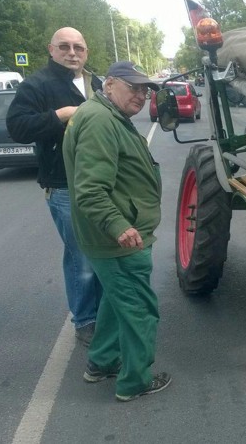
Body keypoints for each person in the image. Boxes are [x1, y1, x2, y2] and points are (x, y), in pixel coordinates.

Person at [63, 61, 169, 402]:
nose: (140, 95)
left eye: (144, 90)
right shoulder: (99, 120)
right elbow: (91, 189)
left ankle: (101, 363)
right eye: (133, 87)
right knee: (139, 308)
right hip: (121, 241)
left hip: (113, 239)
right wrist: (119, 226)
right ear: (109, 85)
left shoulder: (105, 115)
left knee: (113, 301)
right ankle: (135, 382)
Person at [6, 27, 103, 346]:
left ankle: (103, 311)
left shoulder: (96, 82)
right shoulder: (37, 85)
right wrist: (60, 115)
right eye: (64, 46)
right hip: (64, 185)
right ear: (51, 50)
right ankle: (86, 320)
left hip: (102, 181)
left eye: (79, 46)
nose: (72, 52)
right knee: (81, 256)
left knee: (103, 249)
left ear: (86, 51)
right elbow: (17, 127)